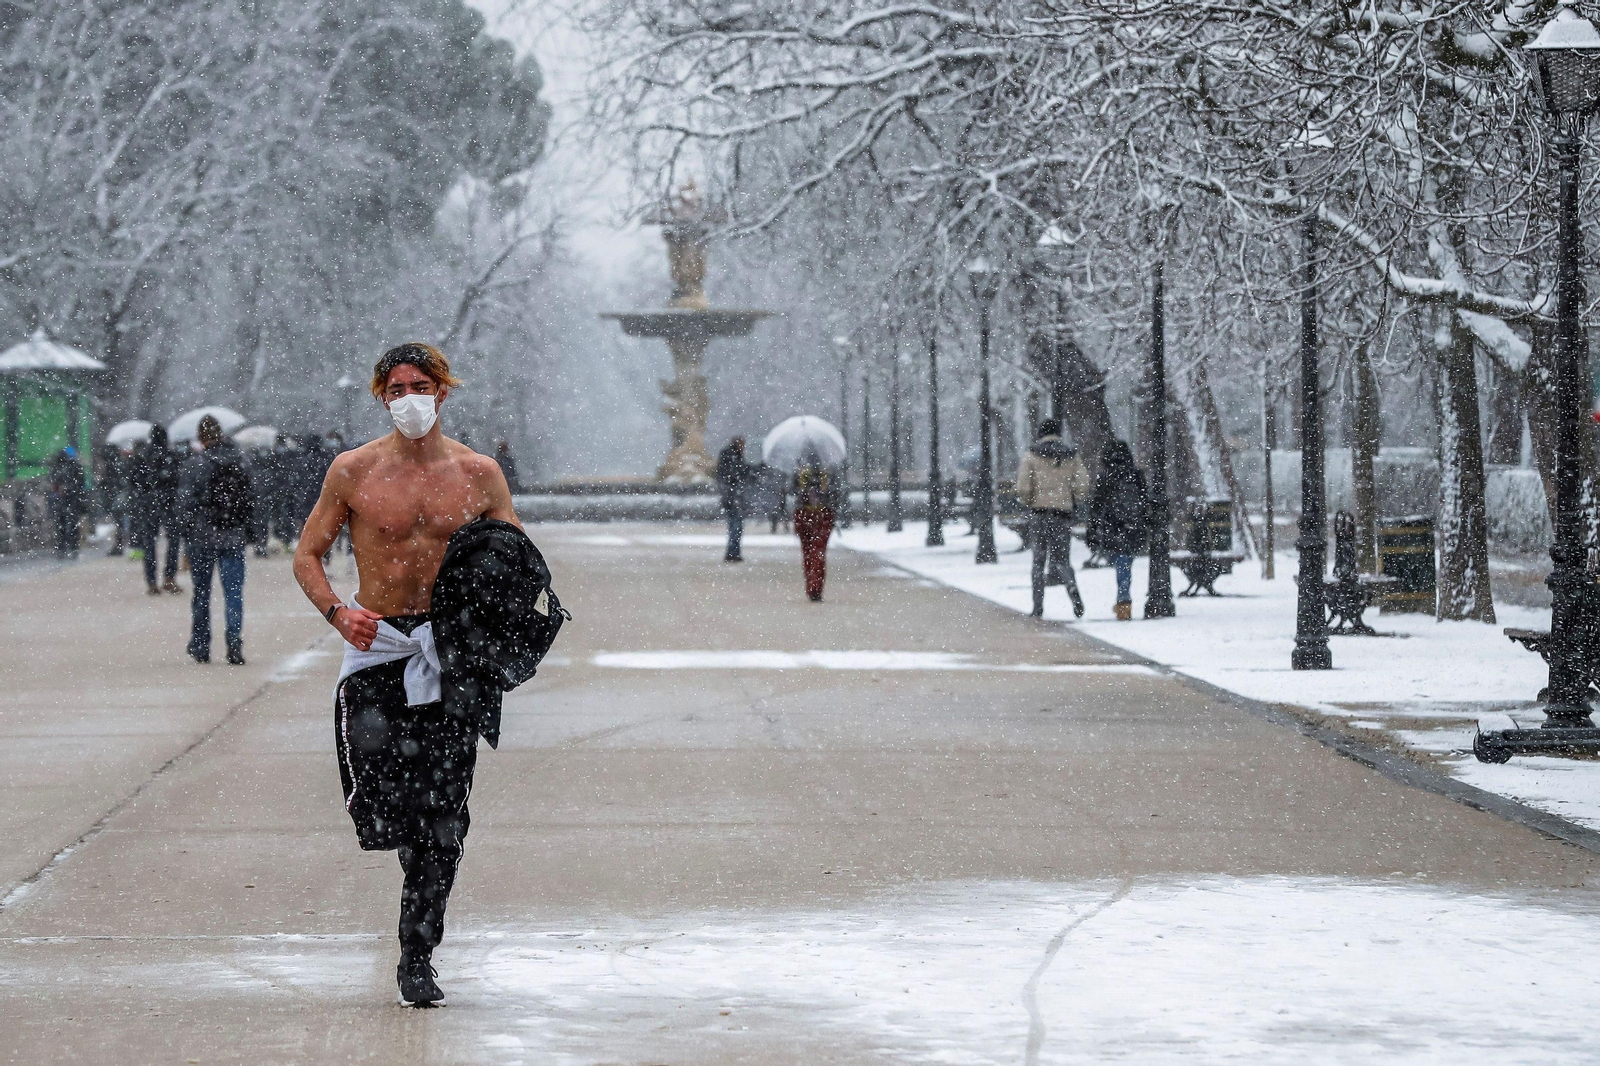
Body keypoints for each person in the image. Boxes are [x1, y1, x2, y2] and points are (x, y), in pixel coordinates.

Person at [293, 341, 523, 1009]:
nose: (408, 398)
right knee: (383, 805)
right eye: (395, 388)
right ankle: (415, 856)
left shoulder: (478, 474)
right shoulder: (353, 471)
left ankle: (416, 950)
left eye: (419, 384)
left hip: (449, 654)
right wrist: (339, 612)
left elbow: (514, 553)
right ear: (380, 396)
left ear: (443, 392)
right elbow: (308, 554)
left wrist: (497, 618)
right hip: (378, 648)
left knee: (445, 813)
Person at [179, 415, 251, 665]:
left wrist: (186, 534)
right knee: (233, 593)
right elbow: (251, 499)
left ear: (201, 437)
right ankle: (234, 640)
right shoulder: (240, 460)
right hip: (233, 535)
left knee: (201, 592)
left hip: (202, 537)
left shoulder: (194, 464)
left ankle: (201, 644)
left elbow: (185, 503)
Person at [1015, 419, 1091, 619]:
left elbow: (1023, 487)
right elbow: (1083, 484)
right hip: (1062, 514)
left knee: (1038, 561)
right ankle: (1072, 590)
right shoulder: (1070, 455)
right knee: (1062, 560)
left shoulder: (1031, 455)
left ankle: (1038, 606)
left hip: (1039, 514)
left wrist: (1030, 500)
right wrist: (1072, 496)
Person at [1086, 439, 1149, 621]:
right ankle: (1123, 601)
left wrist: (1093, 530)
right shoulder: (1137, 475)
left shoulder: (1106, 476)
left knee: (1121, 561)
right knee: (1125, 561)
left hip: (1112, 526)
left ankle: (1123, 602)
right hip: (1132, 526)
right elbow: (1144, 501)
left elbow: (1096, 506)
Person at [130, 424, 183, 594]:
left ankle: (151, 581)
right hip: (169, 502)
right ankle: (169, 577)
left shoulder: (143, 456)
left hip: (148, 504)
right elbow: (179, 479)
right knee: (173, 540)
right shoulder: (171, 456)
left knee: (149, 543)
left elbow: (134, 481)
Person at [792, 452, 840, 602]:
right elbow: (836, 493)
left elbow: (791, 491)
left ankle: (810, 585)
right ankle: (816, 587)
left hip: (803, 514)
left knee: (807, 552)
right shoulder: (829, 471)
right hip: (823, 515)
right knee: (818, 551)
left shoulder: (800, 471)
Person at [716, 436, 749, 563]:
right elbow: (736, 474)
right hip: (733, 497)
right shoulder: (733, 456)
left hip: (731, 497)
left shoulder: (730, 455)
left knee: (735, 526)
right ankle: (733, 552)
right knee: (736, 527)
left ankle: (733, 552)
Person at [47, 447, 85, 557]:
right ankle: (69, 548)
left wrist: (67, 488)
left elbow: (79, 483)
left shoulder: (63, 467)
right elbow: (80, 483)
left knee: (64, 524)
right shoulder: (73, 466)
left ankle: (65, 548)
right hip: (68, 500)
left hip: (68, 500)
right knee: (67, 524)